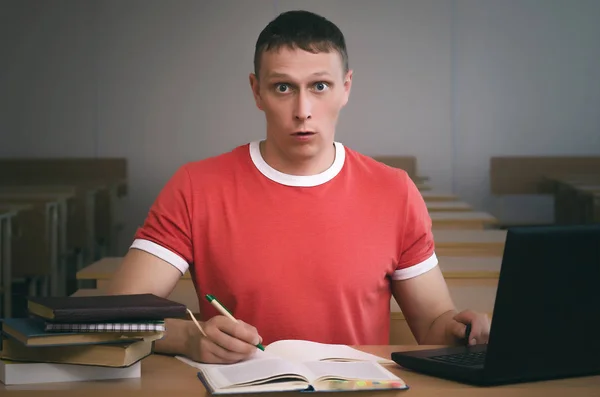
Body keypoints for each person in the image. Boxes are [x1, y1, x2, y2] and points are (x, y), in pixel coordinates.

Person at [107, 9, 490, 364]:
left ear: (346, 87)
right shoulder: (195, 186)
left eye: (320, 86)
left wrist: (463, 332)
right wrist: (187, 338)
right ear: (257, 91)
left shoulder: (395, 191)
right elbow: (116, 313)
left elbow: (432, 325)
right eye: (283, 88)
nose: (303, 110)